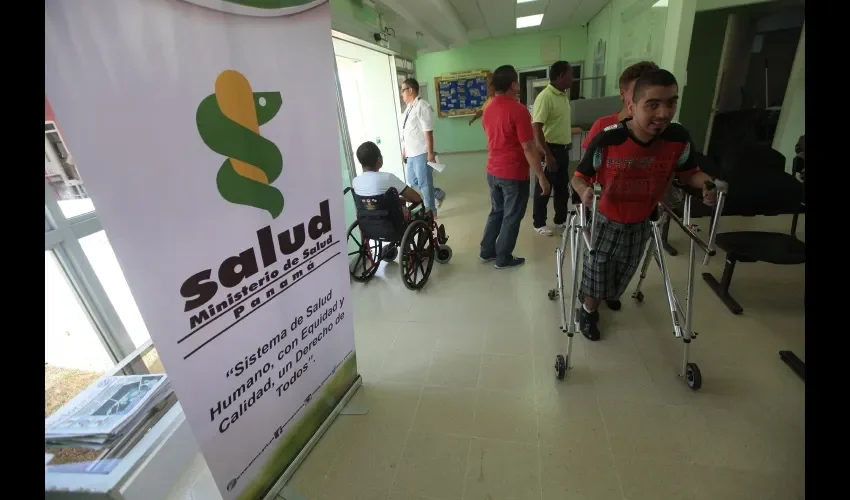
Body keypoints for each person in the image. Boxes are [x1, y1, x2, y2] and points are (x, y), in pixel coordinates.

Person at [571, 69, 720, 341]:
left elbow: (690, 173)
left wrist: (707, 184)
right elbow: (579, 176)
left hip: (642, 218)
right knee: (598, 268)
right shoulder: (609, 139)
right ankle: (589, 310)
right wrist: (584, 192)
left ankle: (608, 294)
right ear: (632, 106)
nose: (663, 113)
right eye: (652, 105)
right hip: (606, 217)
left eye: (671, 103)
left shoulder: (678, 139)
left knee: (625, 268)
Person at [480, 65, 550, 269]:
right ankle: (503, 257)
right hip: (513, 173)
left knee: (497, 211)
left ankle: (487, 251)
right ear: (513, 85)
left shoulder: (488, 109)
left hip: (493, 170)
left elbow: (500, 137)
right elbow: (527, 147)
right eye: (517, 81)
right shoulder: (519, 110)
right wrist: (541, 176)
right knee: (511, 216)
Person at [531, 61, 584, 236]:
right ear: (561, 76)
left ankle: (560, 220)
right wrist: (547, 154)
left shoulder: (563, 96)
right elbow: (537, 127)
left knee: (562, 188)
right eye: (570, 75)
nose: (572, 79)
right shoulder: (545, 97)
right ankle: (539, 223)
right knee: (544, 187)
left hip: (563, 151)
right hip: (550, 150)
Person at [582, 61, 659, 150]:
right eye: (638, 92)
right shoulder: (603, 126)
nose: (646, 99)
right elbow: (588, 157)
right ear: (622, 94)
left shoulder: (662, 128)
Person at [400, 78, 446, 212]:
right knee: (412, 181)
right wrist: (404, 150)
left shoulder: (423, 106)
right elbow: (407, 131)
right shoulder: (409, 108)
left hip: (421, 152)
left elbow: (428, 132)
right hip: (410, 152)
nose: (402, 94)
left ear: (410, 90)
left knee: (424, 183)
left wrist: (430, 153)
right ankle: (437, 193)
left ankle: (431, 211)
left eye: (403, 90)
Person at [352, 141, 422, 207]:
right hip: (392, 216)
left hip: (365, 216)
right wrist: (399, 199)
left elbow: (372, 202)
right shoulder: (388, 178)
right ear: (379, 159)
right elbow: (416, 198)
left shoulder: (355, 182)